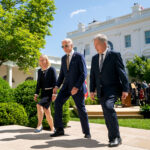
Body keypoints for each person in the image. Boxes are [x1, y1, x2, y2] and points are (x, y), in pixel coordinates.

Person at [90, 34, 129, 147]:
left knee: (108, 107)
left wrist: (125, 89)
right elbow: (93, 75)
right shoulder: (94, 58)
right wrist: (92, 90)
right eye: (94, 45)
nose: (95, 47)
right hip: (101, 91)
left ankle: (115, 137)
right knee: (106, 114)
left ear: (104, 44)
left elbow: (122, 72)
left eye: (96, 44)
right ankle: (114, 137)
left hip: (112, 89)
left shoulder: (115, 55)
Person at [51, 38, 91, 138]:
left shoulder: (79, 56)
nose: (64, 48)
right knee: (57, 103)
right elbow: (62, 74)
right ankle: (59, 129)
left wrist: (76, 87)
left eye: (66, 46)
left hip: (77, 87)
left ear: (72, 46)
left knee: (81, 109)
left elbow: (84, 73)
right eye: (62, 46)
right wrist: (57, 85)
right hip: (66, 86)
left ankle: (87, 132)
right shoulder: (63, 58)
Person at [34, 54, 57, 133]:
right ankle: (53, 128)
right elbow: (38, 83)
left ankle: (39, 125)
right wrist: (36, 94)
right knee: (47, 112)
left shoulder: (51, 69)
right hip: (43, 93)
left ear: (47, 60)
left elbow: (55, 83)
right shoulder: (39, 71)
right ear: (39, 62)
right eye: (41, 60)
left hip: (49, 93)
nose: (42, 61)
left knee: (39, 105)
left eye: (44, 60)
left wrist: (54, 94)